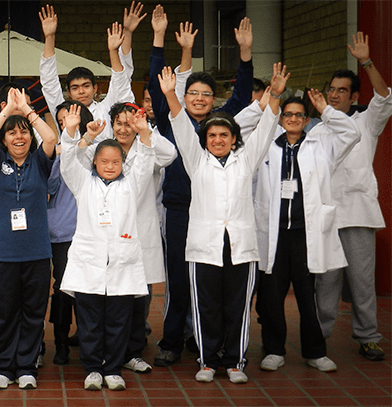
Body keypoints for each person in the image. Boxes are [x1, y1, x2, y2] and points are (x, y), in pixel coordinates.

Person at [162, 63, 287, 383]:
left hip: (241, 246)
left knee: (236, 306)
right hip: (203, 246)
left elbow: (267, 127)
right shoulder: (195, 159)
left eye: (224, 135)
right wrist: (170, 96)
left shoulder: (248, 158)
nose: (218, 139)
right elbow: (179, 126)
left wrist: (274, 94)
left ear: (234, 138)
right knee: (205, 306)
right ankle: (206, 361)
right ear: (205, 139)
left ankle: (234, 362)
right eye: (213, 135)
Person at [147, 5, 255, 367]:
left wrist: (245, 54)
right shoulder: (168, 119)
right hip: (179, 212)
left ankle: (211, 342)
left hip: (217, 216)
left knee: (216, 284)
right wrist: (160, 40)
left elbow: (242, 93)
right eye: (192, 92)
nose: (198, 98)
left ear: (213, 100)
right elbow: (155, 84)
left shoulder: (220, 125)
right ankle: (173, 341)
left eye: (205, 94)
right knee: (179, 280)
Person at [254, 90, 361, 373]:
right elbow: (238, 130)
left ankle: (315, 351)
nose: (292, 119)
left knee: (306, 294)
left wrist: (326, 109)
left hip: (305, 233)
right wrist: (266, 104)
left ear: (306, 119)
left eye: (298, 115)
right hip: (274, 232)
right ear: (280, 117)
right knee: (272, 296)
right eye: (286, 114)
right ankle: (274, 350)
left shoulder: (321, 144)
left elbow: (352, 133)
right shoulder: (266, 144)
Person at [59, 104, 149, 391]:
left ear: (123, 163)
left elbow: (145, 162)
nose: (110, 166)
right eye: (104, 161)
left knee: (119, 321)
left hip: (122, 264)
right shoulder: (83, 182)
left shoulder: (132, 184)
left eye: (115, 162)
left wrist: (144, 133)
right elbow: (68, 162)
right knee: (89, 321)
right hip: (89, 264)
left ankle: (113, 367)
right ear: (94, 162)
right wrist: (71, 131)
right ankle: (93, 368)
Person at [315, 31, 392, 362]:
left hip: (359, 212)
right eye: (331, 89)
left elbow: (385, 97)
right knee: (326, 283)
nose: (334, 95)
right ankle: (317, 338)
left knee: (362, 281)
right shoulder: (315, 129)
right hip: (327, 216)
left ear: (353, 96)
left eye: (341, 90)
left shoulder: (366, 122)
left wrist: (366, 62)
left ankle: (368, 336)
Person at [0, 88, 57, 390]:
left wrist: (27, 111)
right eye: (12, 134)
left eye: (23, 133)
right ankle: (2, 366)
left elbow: (50, 138)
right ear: (5, 139)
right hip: (3, 254)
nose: (18, 138)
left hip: (37, 253)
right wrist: (6, 112)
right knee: (4, 313)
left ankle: (26, 366)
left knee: (33, 313)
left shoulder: (40, 161)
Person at [38, 4, 138, 143]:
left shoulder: (106, 109)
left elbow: (122, 79)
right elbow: (49, 82)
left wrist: (126, 34)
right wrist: (49, 37)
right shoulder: (63, 112)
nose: (81, 91)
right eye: (75, 88)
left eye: (86, 86)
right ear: (68, 93)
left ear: (95, 89)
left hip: (106, 163)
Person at [46, 100, 93, 366]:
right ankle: (61, 344)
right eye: (62, 120)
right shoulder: (57, 151)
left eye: (71, 118)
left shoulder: (96, 148)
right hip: (62, 230)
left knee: (89, 289)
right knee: (63, 288)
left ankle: (89, 341)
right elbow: (50, 183)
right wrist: (63, 154)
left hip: (91, 232)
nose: (66, 123)